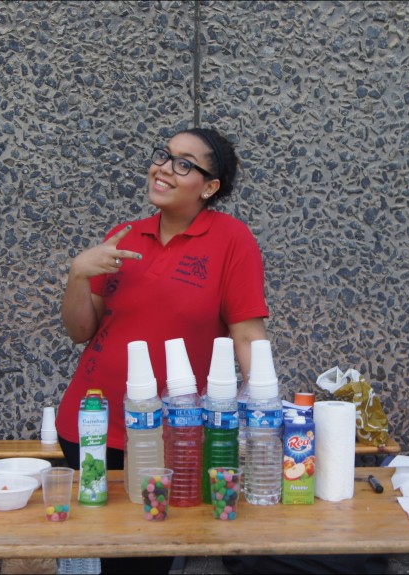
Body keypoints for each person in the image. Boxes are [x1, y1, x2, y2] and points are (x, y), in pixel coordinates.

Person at [56, 127, 269, 574]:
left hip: (170, 435)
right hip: (92, 427)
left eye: (184, 164)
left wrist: (263, 418)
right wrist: (78, 274)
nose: (164, 169)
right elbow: (80, 331)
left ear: (209, 187)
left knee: (145, 559)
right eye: (164, 156)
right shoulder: (125, 236)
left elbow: (248, 335)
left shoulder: (231, 240)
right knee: (93, 551)